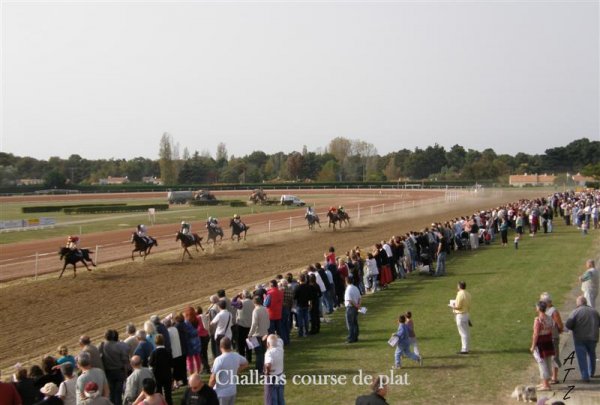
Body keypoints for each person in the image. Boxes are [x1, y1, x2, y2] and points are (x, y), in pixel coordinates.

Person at [565, 296, 600, 382]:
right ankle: (591, 372)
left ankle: (585, 376)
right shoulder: (594, 311)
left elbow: (568, 325)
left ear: (578, 303)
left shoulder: (575, 312)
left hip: (580, 338)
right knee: (592, 355)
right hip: (593, 337)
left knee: (582, 357)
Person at [208, 337, 248, 405]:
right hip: (232, 391)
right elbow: (246, 363)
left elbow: (213, 378)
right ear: (230, 346)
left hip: (221, 393)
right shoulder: (236, 355)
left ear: (220, 346)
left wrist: (208, 391)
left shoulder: (219, 360)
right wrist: (237, 370)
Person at [99, 329, 129, 405]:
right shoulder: (119, 345)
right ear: (113, 337)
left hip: (108, 372)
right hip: (119, 372)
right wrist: (125, 374)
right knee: (118, 394)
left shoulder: (102, 345)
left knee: (111, 393)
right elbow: (124, 361)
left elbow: (99, 357)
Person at [540, 292, 563, 384]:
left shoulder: (553, 311)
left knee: (553, 356)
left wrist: (559, 330)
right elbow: (560, 326)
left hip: (551, 337)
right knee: (549, 357)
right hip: (549, 336)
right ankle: (550, 377)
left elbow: (560, 325)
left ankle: (554, 377)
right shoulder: (548, 310)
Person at [530, 301, 554, 391]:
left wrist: (533, 346)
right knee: (548, 362)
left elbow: (535, 334)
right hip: (548, 341)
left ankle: (546, 385)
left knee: (542, 363)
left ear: (539, 309)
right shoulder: (549, 318)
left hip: (541, 343)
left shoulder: (538, 320)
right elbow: (551, 329)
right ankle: (545, 383)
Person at [148, 335, 172, 405]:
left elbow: (150, 364)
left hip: (157, 376)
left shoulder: (154, 353)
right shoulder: (168, 351)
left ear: (155, 343)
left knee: (159, 394)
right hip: (167, 375)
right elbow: (171, 365)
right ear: (163, 341)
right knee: (168, 395)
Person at [249, 296, 270, 374]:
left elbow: (254, 324)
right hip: (265, 333)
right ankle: (264, 368)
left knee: (258, 353)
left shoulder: (256, 310)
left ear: (254, 302)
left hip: (256, 334)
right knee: (264, 352)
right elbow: (268, 320)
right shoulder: (265, 309)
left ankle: (259, 369)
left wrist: (250, 334)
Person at [263, 335, 285, 405]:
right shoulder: (280, 347)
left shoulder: (269, 353)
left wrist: (267, 373)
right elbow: (278, 338)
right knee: (280, 397)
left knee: (272, 399)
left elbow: (268, 364)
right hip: (281, 375)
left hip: (272, 377)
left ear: (268, 344)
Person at [452, 281, 471, 354]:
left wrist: (453, 306)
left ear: (459, 286)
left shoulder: (460, 294)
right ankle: (467, 347)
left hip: (461, 315)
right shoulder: (468, 294)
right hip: (466, 314)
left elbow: (458, 306)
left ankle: (464, 349)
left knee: (463, 333)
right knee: (466, 332)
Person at [344, 276, 361, 343]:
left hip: (351, 307)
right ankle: (355, 336)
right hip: (355, 307)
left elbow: (349, 300)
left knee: (350, 323)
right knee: (355, 323)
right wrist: (358, 305)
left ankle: (351, 338)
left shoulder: (348, 289)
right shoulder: (355, 287)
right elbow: (359, 297)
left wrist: (356, 305)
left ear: (346, 281)